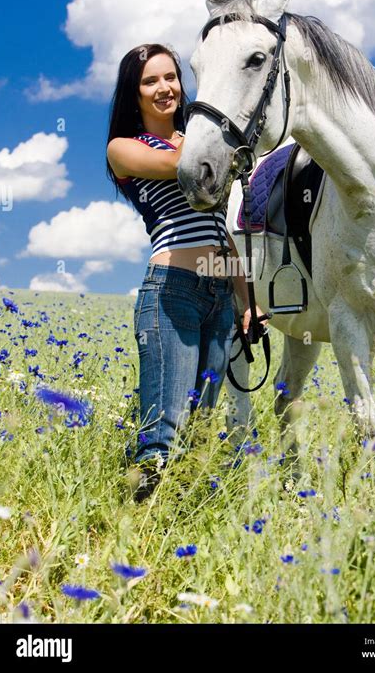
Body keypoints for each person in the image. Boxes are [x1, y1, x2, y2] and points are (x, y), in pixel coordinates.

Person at [106, 43, 264, 502]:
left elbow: (223, 235)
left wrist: (246, 301)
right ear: (133, 95)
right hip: (172, 292)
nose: (164, 88)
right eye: (150, 81)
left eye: (170, 77)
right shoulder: (125, 148)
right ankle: (136, 532)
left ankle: (178, 534)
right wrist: (218, 145)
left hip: (218, 298)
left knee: (198, 432)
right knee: (163, 433)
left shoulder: (198, 143)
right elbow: (178, 163)